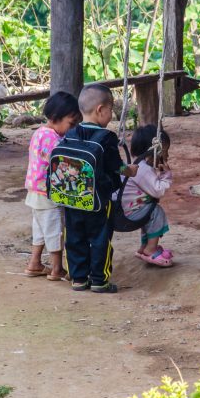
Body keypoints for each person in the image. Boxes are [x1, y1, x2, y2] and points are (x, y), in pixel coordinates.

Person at [63, 84, 135, 293]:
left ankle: (78, 278)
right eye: (111, 109)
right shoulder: (107, 138)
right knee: (100, 238)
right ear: (100, 109)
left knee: (74, 237)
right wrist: (129, 170)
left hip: (73, 197)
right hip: (99, 201)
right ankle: (98, 280)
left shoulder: (70, 133)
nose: (111, 115)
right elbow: (117, 167)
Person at [23, 91, 81, 280]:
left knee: (40, 229)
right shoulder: (51, 138)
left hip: (34, 191)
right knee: (54, 230)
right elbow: (60, 164)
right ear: (56, 117)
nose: (71, 128)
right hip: (47, 193)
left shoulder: (39, 133)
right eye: (71, 124)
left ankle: (35, 263)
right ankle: (57, 268)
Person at [122, 125, 174, 267]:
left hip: (124, 209)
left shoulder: (138, 165)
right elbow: (158, 191)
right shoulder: (143, 170)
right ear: (152, 153)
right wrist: (166, 175)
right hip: (128, 214)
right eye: (165, 152)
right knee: (156, 212)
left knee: (149, 209)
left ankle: (143, 247)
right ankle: (150, 250)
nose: (167, 156)